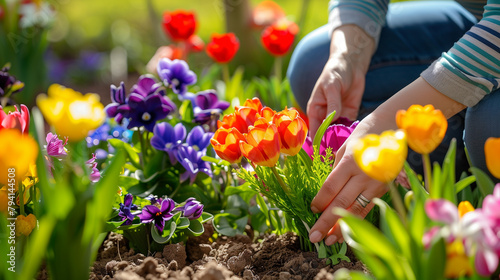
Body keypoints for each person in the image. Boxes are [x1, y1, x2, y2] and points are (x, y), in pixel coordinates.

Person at [286, 0, 500, 246]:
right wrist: (348, 57)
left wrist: (384, 125)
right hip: (478, 22)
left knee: (489, 125)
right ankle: (451, 165)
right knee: (313, 66)